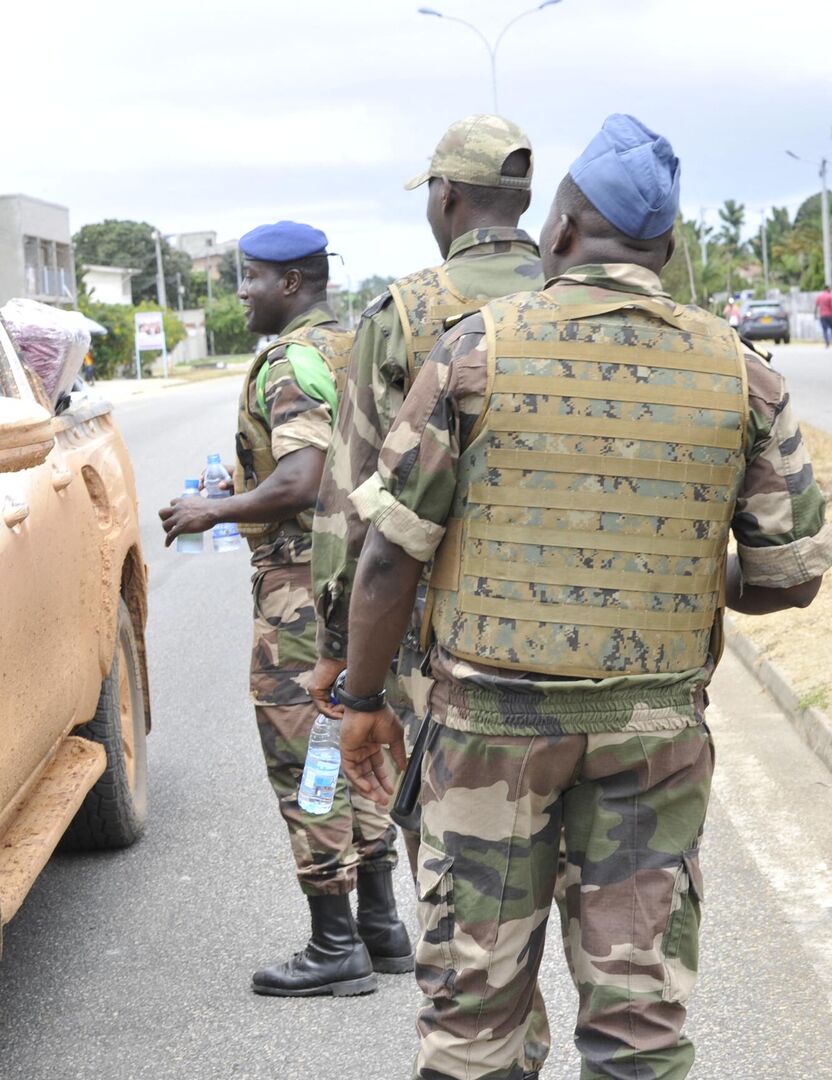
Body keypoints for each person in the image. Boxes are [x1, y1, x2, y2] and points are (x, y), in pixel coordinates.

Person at [335, 114, 829, 1080]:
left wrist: (359, 704)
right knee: (640, 1028)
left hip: (487, 735)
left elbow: (389, 559)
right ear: (672, 245)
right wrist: (676, 567)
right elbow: (789, 576)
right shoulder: (744, 373)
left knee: (473, 1026)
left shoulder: (474, 352)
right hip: (654, 735)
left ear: (558, 232)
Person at [305, 116, 547, 1024]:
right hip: (590, 648)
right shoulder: (578, 292)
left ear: (446, 197)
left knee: (465, 911)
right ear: (524, 201)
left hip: (439, 660)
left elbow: (352, 505)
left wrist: (339, 654)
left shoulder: (405, 314)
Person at [158, 220, 405, 999]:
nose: (242, 293)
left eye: (252, 278)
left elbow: (300, 480)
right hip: (362, 580)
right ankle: (382, 927)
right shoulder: (352, 345)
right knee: (352, 740)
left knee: (309, 757)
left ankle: (335, 946)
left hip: (302, 589)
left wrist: (215, 510)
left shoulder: (290, 363)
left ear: (291, 283)